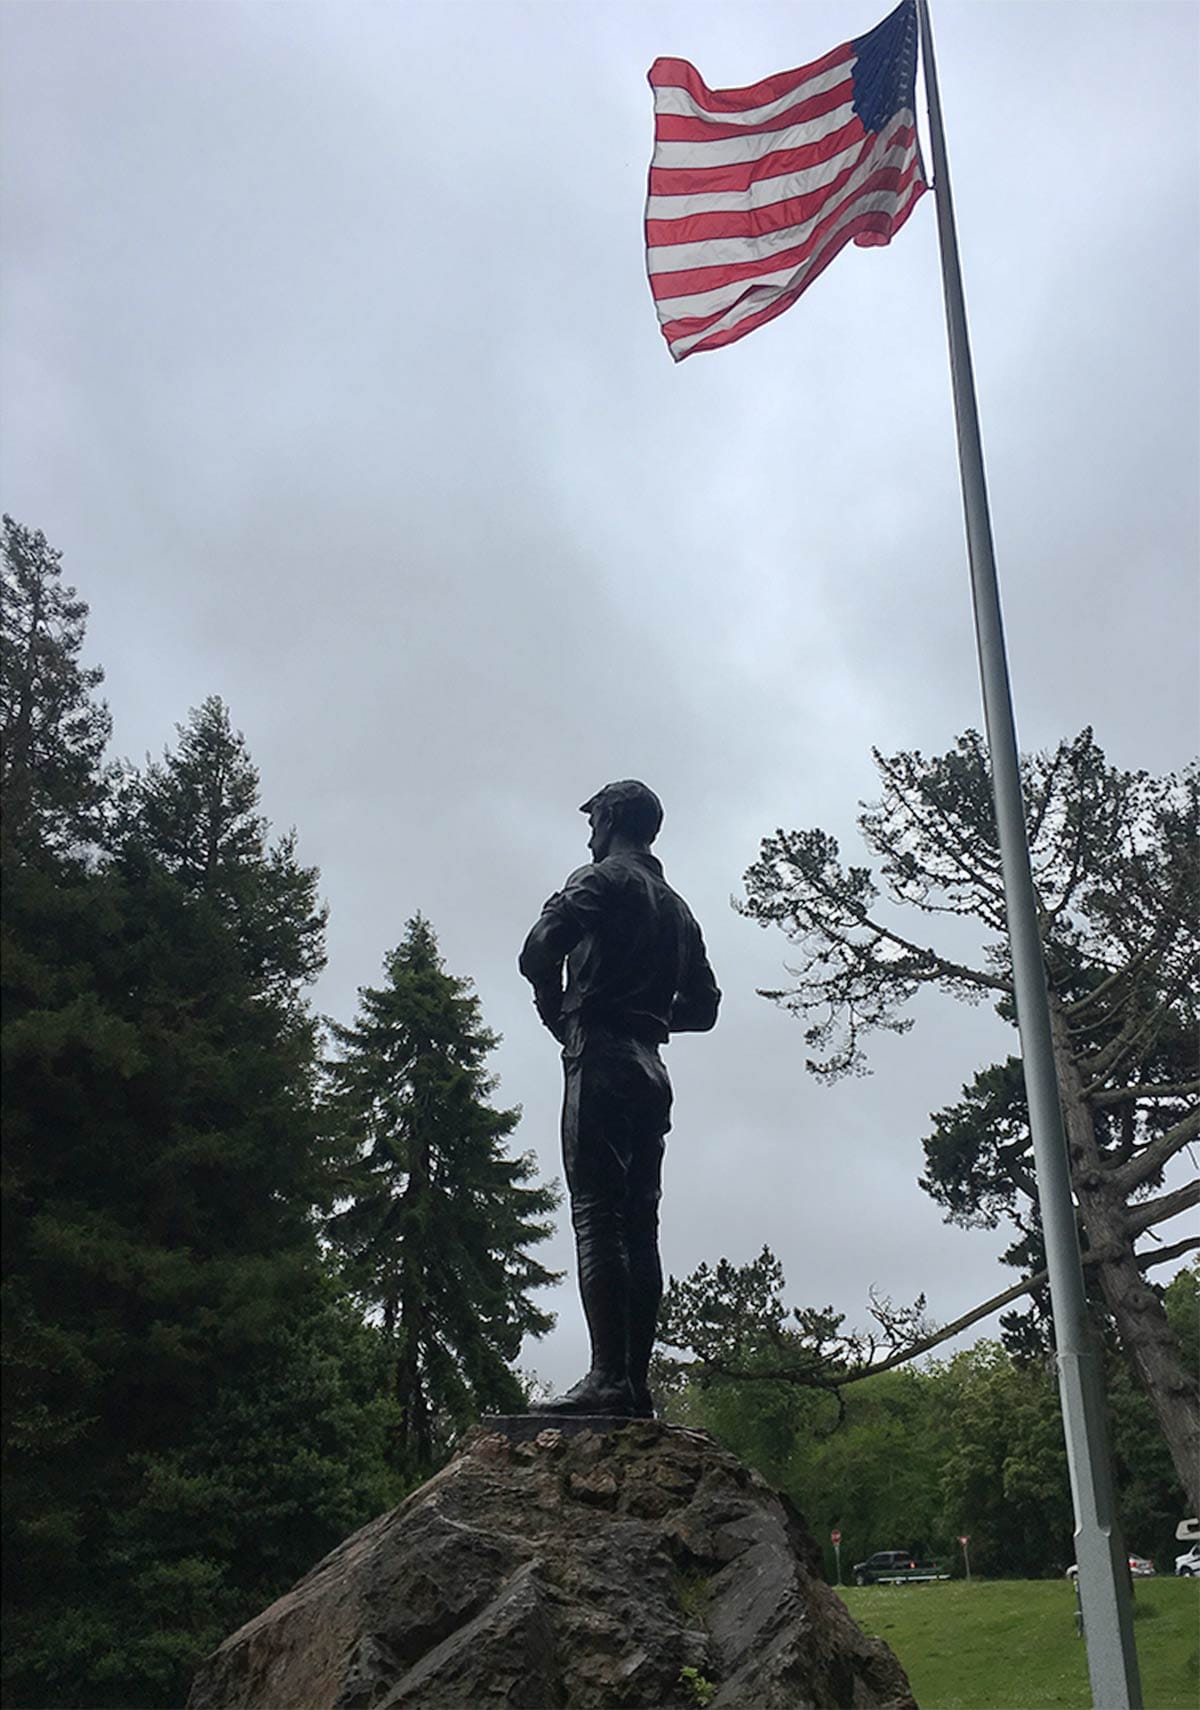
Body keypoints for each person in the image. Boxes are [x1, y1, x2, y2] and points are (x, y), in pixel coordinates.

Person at [518, 780, 720, 1416]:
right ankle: (633, 1384)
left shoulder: (600, 881)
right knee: (640, 1224)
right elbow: (705, 1008)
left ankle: (609, 1378)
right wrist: (650, 1016)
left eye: (594, 820)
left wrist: (560, 1011)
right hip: (650, 1069)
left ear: (609, 819)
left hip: (600, 1057)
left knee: (598, 1216)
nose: (589, 834)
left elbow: (537, 950)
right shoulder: (679, 911)